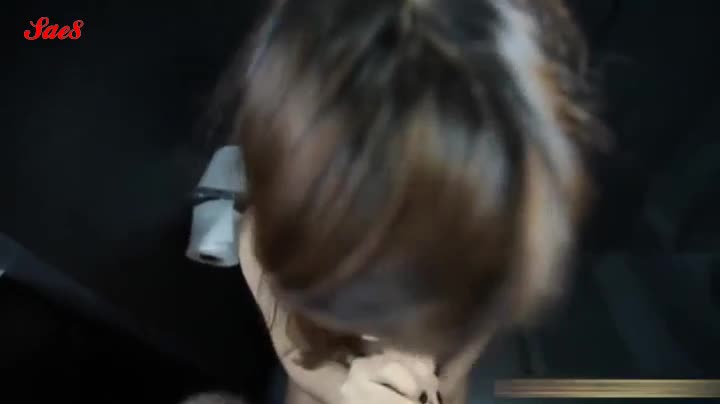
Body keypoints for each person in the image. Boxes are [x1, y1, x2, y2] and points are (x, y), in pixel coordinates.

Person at [215, 0, 606, 402]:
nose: (400, 331)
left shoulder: (489, 239)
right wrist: (341, 391)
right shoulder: (260, 245)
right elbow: (294, 354)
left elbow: (460, 365)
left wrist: (435, 388)